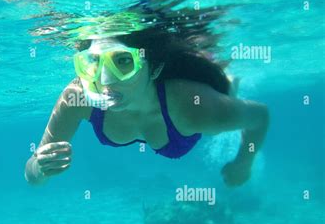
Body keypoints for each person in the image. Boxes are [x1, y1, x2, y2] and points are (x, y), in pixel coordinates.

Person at [24, 28, 269, 187]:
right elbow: (32, 176)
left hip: (202, 96)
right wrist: (41, 167)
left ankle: (228, 83)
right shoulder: (77, 98)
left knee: (216, 124)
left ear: (154, 68)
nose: (105, 81)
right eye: (93, 62)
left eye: (123, 61)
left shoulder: (194, 107)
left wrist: (243, 163)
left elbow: (260, 116)